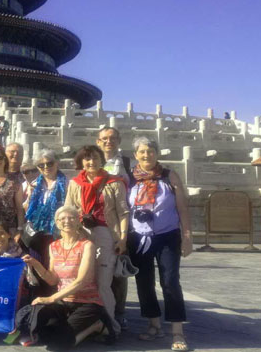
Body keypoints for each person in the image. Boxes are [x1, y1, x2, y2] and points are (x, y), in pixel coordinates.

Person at [15, 206, 112, 349]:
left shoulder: (87, 245)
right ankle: (69, 329)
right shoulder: (53, 246)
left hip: (87, 302)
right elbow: (52, 279)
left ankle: (97, 325)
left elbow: (82, 280)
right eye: (62, 219)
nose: (67, 221)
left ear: (79, 221)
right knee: (40, 334)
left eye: (71, 217)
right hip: (64, 303)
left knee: (58, 345)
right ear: (57, 223)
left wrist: (51, 298)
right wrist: (35, 264)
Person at [128, 137, 192, 352]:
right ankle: (154, 324)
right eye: (142, 152)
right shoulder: (130, 178)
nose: (147, 155)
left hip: (168, 235)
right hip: (139, 236)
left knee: (170, 280)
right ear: (136, 155)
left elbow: (182, 207)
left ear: (157, 153)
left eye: (151, 151)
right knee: (143, 281)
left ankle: (177, 331)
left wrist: (188, 235)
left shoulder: (169, 175)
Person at [65, 145, 130, 334]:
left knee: (103, 282)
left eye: (94, 158)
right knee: (82, 280)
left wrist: (123, 239)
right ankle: (87, 324)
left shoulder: (114, 182)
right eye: (86, 159)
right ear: (81, 162)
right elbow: (68, 209)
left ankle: (110, 326)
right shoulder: (75, 183)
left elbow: (123, 212)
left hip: (106, 234)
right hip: (82, 233)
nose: (91, 162)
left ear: (101, 160)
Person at [96, 127, 131, 329]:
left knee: (118, 270)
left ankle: (119, 312)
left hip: (121, 224)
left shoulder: (126, 163)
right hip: (98, 224)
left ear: (118, 141)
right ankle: (99, 309)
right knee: (98, 270)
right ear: (98, 141)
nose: (108, 142)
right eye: (104, 139)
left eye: (112, 138)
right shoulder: (92, 160)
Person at [24, 149, 67, 235]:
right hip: (37, 231)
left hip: (59, 230)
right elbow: (27, 209)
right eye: (41, 165)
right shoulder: (34, 184)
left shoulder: (67, 184)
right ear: (38, 167)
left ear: (57, 163)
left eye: (50, 163)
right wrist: (29, 198)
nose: (46, 167)